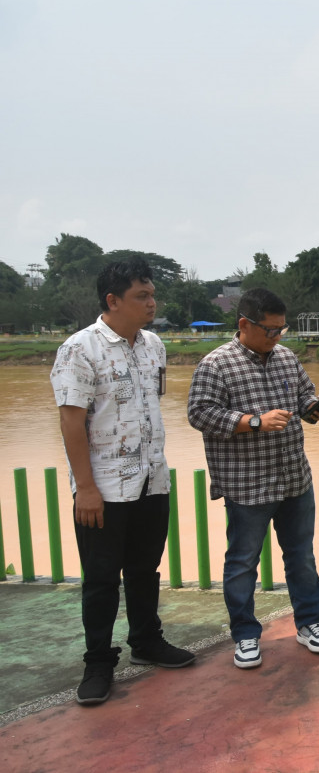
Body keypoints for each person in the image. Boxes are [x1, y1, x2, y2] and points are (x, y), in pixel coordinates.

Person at [50, 257, 196, 706]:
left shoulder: (154, 345)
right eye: (142, 296)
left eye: (152, 295)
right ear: (112, 301)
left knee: (143, 570)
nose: (152, 303)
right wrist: (86, 488)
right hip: (105, 489)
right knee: (99, 578)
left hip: (152, 480)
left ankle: (147, 642)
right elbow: (71, 423)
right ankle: (98, 662)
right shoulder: (80, 349)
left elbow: (153, 402)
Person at [187, 287, 319, 669]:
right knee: (242, 562)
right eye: (270, 330)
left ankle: (311, 623)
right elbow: (200, 414)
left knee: (301, 557)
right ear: (244, 324)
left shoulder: (287, 358)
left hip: (293, 478)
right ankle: (246, 635)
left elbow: (303, 398)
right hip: (246, 483)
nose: (277, 337)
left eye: (281, 329)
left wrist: (315, 409)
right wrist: (254, 422)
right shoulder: (216, 365)